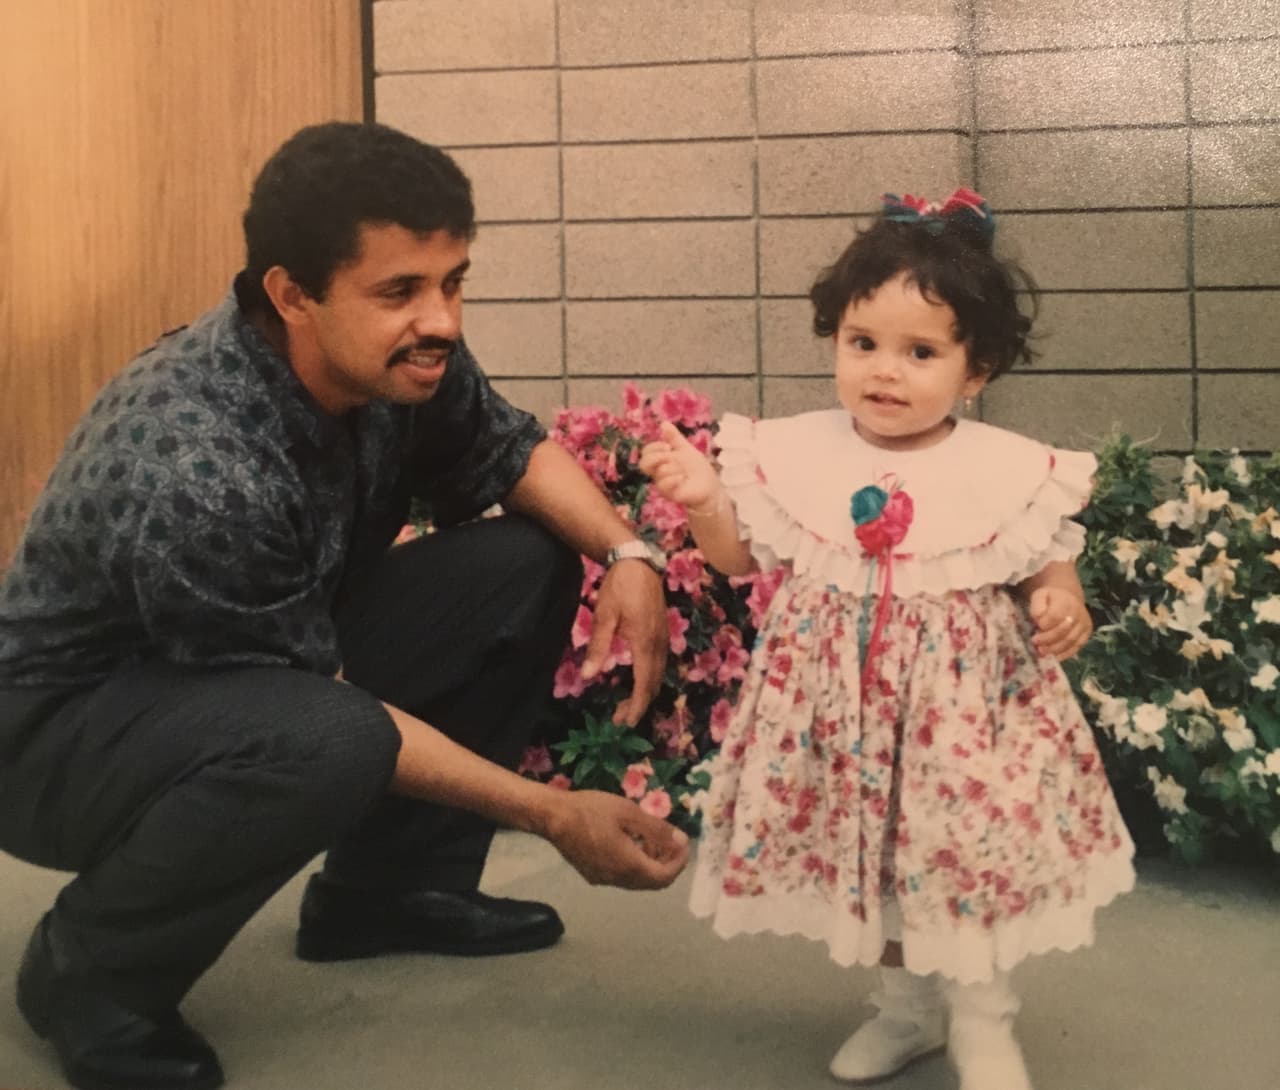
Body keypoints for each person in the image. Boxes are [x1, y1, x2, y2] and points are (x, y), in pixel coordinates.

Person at [0, 120, 688, 1090]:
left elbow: (505, 448)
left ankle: (390, 893)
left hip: (236, 672)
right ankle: (91, 973)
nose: (440, 319)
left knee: (524, 562)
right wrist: (553, 813)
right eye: (400, 291)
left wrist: (629, 552)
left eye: (452, 281)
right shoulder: (198, 458)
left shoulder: (395, 358)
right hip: (49, 740)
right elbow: (326, 708)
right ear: (293, 295)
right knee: (332, 736)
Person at [639, 189, 1135, 1090]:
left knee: (965, 856)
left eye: (921, 352)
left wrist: (1062, 603)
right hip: (846, 716)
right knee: (877, 862)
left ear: (976, 370)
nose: (885, 372)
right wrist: (706, 498)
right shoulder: (799, 454)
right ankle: (906, 1012)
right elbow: (738, 557)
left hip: (965, 719)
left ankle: (983, 1021)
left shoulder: (1003, 470)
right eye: (862, 343)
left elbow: (1046, 566)